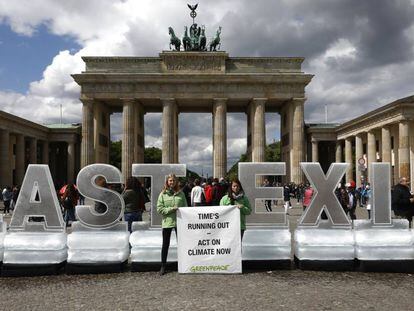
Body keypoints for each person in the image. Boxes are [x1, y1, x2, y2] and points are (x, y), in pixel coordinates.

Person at [157, 174, 187, 275]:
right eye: (170, 180)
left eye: (173, 180)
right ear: (167, 182)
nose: (172, 182)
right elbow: (159, 209)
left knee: (182, 244)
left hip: (180, 222)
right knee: (165, 245)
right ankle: (163, 265)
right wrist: (171, 209)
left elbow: (186, 208)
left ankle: (184, 264)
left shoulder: (181, 194)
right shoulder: (163, 194)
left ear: (176, 182)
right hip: (167, 222)